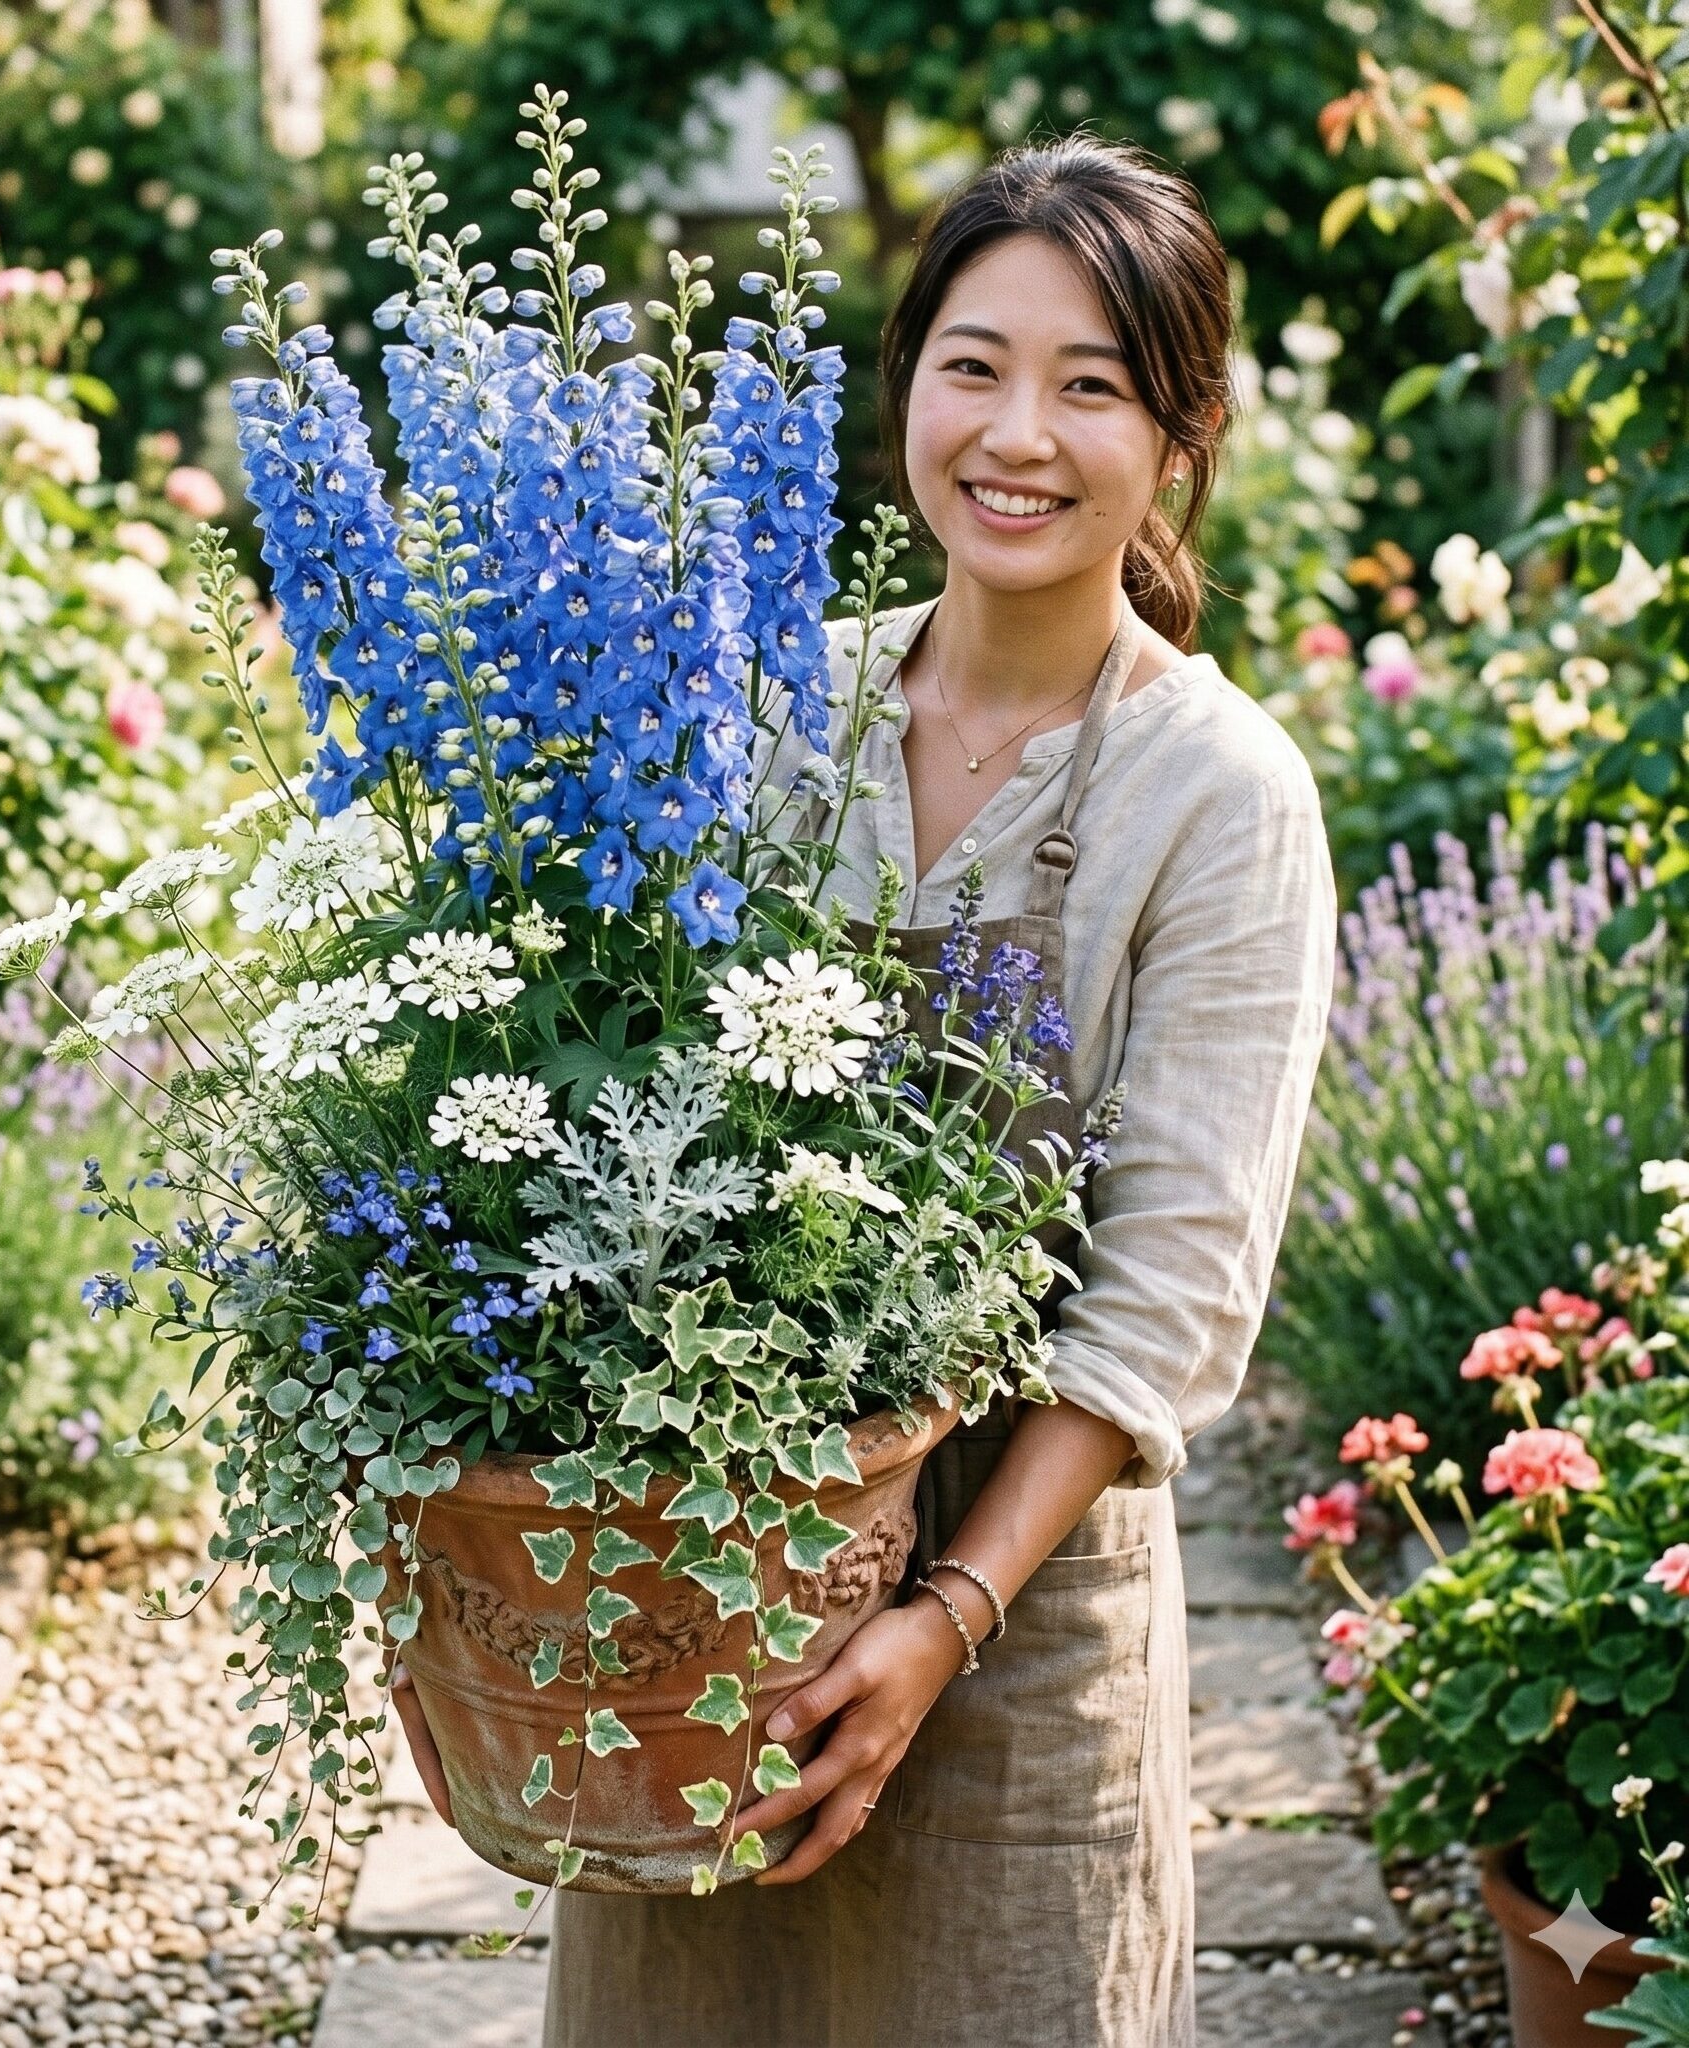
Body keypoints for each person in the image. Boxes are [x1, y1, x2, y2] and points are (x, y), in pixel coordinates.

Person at [397, 130, 1339, 2046]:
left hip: (1021, 1614)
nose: (1018, 431)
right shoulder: (757, 703)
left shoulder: (1218, 796)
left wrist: (940, 1618)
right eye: (974, 365)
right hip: (700, 1612)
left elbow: (1168, 1296)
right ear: (903, 383)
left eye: (1093, 386)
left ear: (1181, 437)